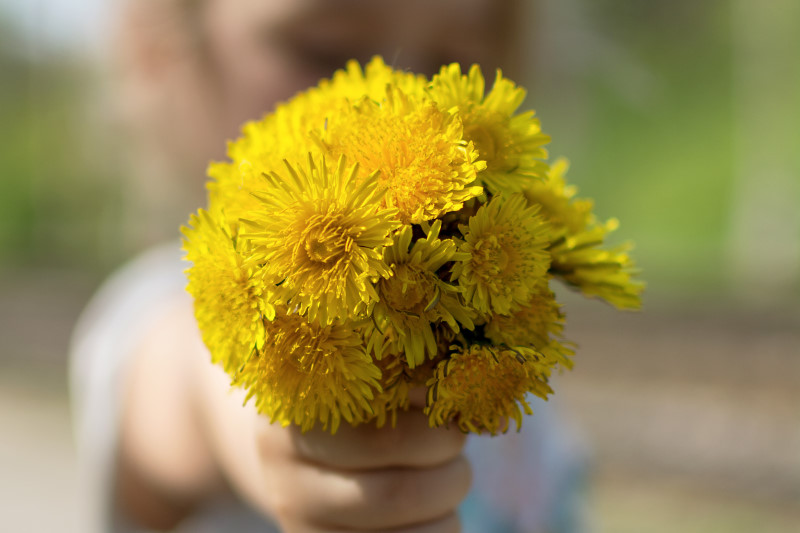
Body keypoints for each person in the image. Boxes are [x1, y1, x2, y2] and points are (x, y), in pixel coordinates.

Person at [70, 1, 589, 531]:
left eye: (453, 60)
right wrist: (283, 429)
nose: (400, 99)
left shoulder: (504, 351)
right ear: (163, 53)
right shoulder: (165, 311)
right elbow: (189, 381)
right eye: (326, 50)